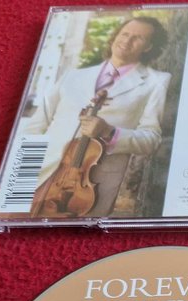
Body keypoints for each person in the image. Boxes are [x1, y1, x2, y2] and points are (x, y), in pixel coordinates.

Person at [26, 17, 171, 217]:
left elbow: (151, 140)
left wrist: (109, 132)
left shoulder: (156, 82)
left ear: (149, 47)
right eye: (125, 34)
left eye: (138, 38)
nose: (127, 41)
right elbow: (35, 126)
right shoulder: (72, 75)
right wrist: (22, 173)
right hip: (42, 173)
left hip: (90, 187)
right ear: (115, 36)